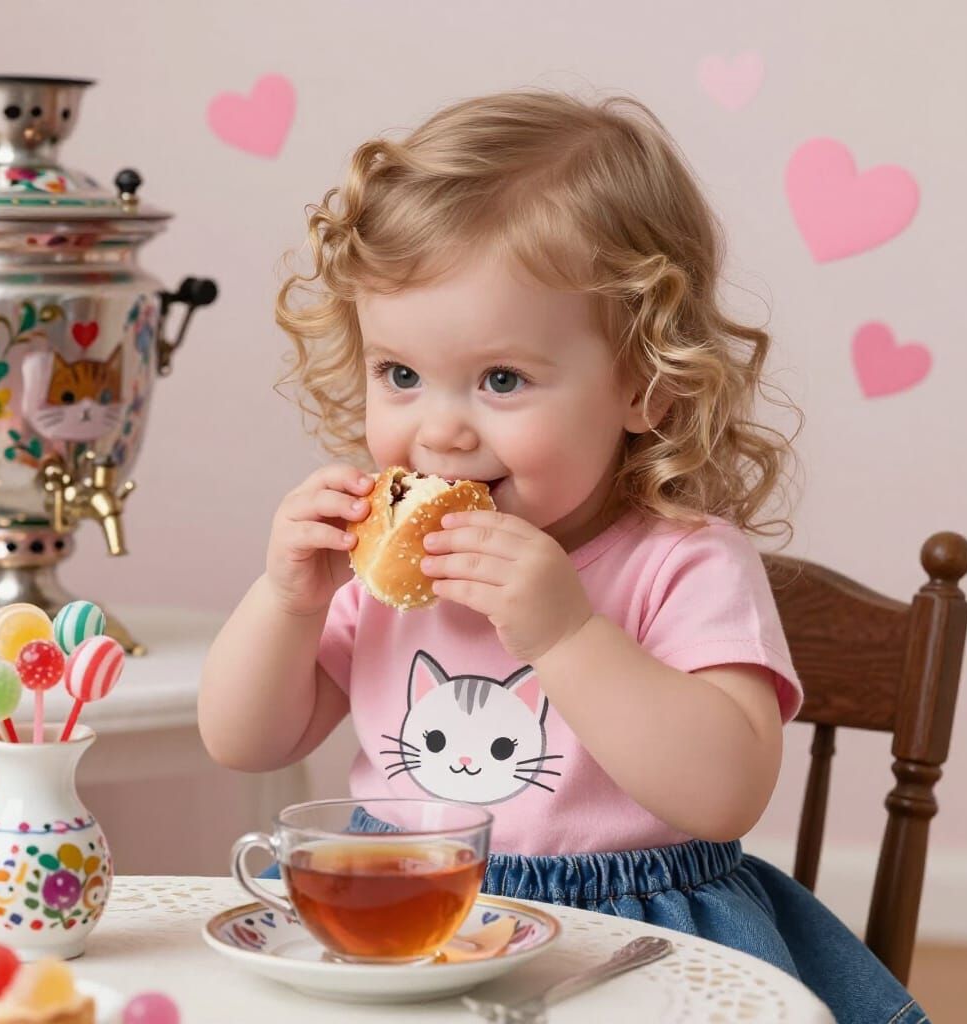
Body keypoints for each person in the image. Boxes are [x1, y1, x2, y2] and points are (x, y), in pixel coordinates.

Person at [199, 89, 926, 1024]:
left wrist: (568, 632)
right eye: (401, 375)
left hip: (632, 942)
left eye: (502, 379)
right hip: (409, 922)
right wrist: (285, 601)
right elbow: (244, 740)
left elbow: (724, 794)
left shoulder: (685, 562)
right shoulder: (381, 571)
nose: (440, 431)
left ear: (647, 387)